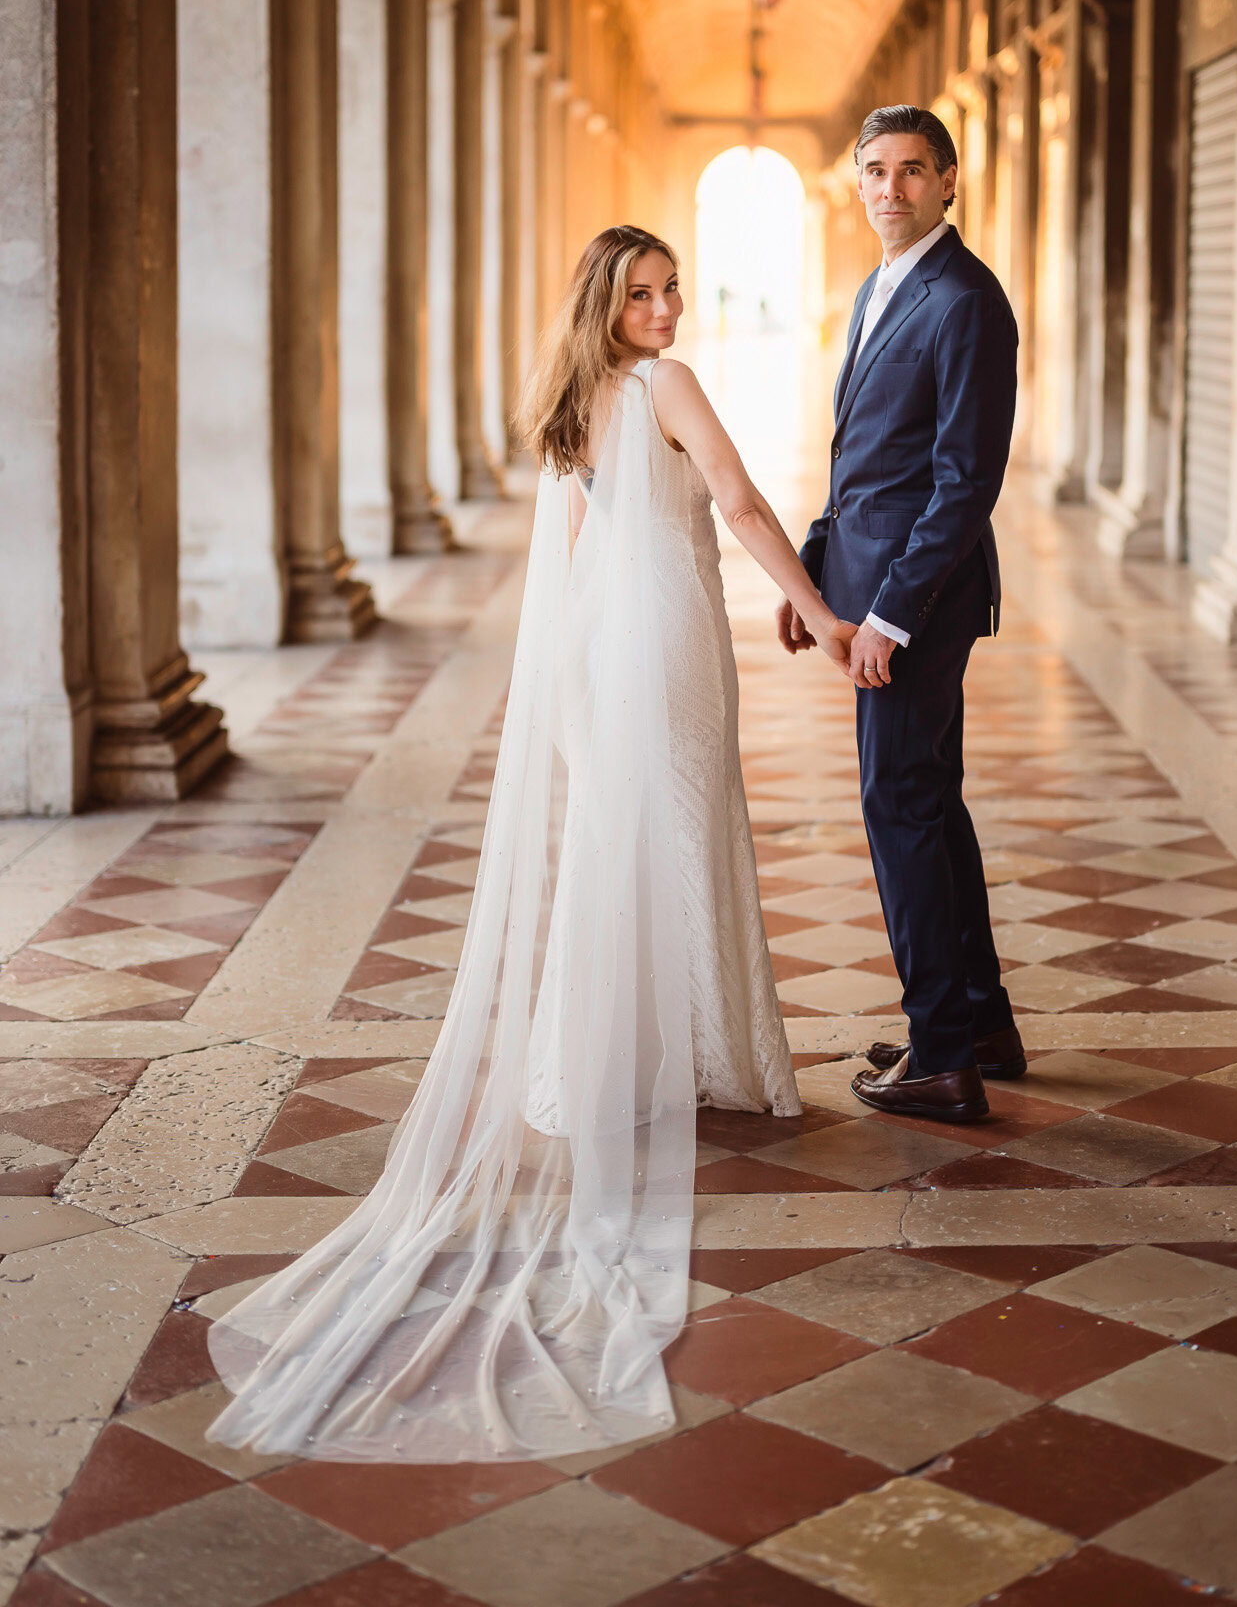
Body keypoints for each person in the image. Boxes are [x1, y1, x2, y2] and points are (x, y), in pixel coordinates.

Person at [206, 224, 854, 1464]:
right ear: (607, 310)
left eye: (670, 291)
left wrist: (558, 681)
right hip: (665, 635)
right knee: (680, 833)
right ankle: (698, 1051)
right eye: (643, 296)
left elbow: (562, 557)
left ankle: (610, 1050)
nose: (666, 312)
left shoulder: (579, 396)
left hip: (603, 646)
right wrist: (819, 614)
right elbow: (743, 502)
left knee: (629, 845)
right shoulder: (665, 386)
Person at [776, 105, 1024, 1125]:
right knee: (930, 797)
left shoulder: (964, 300)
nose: (890, 188)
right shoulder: (883, 286)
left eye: (912, 171)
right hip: (874, 582)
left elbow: (962, 481)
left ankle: (938, 1059)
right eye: (875, 171)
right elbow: (867, 458)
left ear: (948, 181)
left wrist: (888, 617)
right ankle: (975, 1024)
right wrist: (815, 568)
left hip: (914, 603)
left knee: (901, 807)